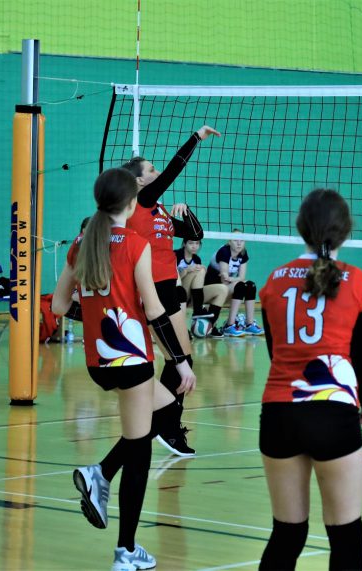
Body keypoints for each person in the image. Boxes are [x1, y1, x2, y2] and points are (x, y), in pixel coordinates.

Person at [52, 168, 196, 570]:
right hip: (131, 359)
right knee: (140, 453)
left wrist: (98, 318)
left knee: (165, 411)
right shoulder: (135, 244)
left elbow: (59, 306)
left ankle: (100, 472)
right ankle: (126, 551)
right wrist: (180, 361)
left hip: (98, 361)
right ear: (132, 204)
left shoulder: (81, 243)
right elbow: (154, 312)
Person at [257, 188, 362, 570]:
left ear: (301, 227)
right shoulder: (361, 284)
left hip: (279, 413)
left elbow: (276, 352)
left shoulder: (274, 281)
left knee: (287, 534)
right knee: (346, 538)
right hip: (333, 415)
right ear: (346, 230)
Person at [124, 124, 219, 456]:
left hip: (170, 288)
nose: (156, 172)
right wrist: (196, 137)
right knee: (178, 359)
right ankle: (167, 426)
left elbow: (195, 233)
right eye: (150, 169)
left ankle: (163, 423)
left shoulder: (159, 210)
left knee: (181, 358)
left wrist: (186, 211)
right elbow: (173, 170)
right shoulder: (141, 200)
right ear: (139, 181)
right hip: (152, 288)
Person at [205, 231, 264, 337]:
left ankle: (249, 324)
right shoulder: (224, 251)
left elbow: (241, 277)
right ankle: (229, 325)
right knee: (240, 286)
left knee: (250, 285)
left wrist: (231, 279)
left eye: (242, 240)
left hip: (225, 288)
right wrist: (234, 279)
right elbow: (224, 280)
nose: (239, 243)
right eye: (235, 240)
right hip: (212, 290)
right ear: (229, 242)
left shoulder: (243, 253)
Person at [174, 238, 228, 334]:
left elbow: (198, 284)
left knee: (223, 289)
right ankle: (198, 310)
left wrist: (203, 272)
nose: (194, 246)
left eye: (197, 243)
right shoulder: (175, 255)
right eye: (191, 243)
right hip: (177, 294)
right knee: (199, 270)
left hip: (193, 297)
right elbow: (171, 280)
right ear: (184, 244)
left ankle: (210, 326)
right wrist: (186, 270)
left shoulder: (196, 259)